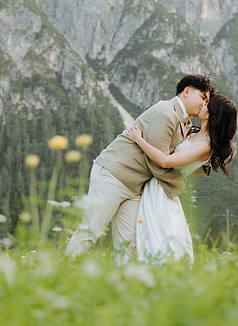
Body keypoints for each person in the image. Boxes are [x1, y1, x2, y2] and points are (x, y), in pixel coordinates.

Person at [65, 75, 212, 261]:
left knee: (130, 245)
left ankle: (123, 287)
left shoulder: (186, 124)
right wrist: (178, 186)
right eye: (203, 97)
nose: (204, 103)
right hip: (113, 175)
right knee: (91, 230)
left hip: (134, 188)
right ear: (187, 91)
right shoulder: (165, 112)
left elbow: (178, 158)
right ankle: (61, 274)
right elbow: (159, 163)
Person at [127, 92, 237, 263]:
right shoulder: (194, 132)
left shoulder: (205, 147)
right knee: (153, 235)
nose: (202, 104)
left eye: (207, 104)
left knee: (157, 237)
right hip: (158, 183)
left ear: (210, 115)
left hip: (162, 190)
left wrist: (139, 140)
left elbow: (166, 161)